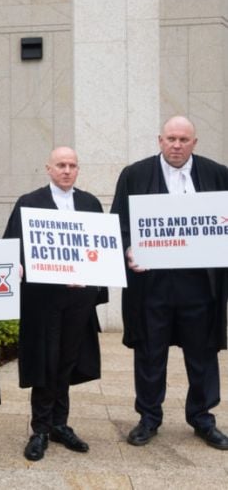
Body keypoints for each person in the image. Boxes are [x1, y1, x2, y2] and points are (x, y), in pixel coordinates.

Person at [111, 116, 228, 450]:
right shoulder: (134, 174)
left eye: (184, 140)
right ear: (159, 140)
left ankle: (202, 418)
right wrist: (128, 250)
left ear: (195, 142)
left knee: (203, 353)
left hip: (200, 285)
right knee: (150, 351)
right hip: (152, 285)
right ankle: (149, 417)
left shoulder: (217, 174)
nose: (177, 145)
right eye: (171, 139)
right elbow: (118, 225)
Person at [3, 146, 107, 461]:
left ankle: (60, 424)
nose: (66, 170)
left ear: (78, 169)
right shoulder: (29, 203)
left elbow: (101, 249)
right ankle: (40, 429)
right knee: (45, 362)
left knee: (67, 361)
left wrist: (90, 277)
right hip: (43, 300)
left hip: (78, 299)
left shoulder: (90, 203)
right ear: (48, 168)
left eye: (72, 165)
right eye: (60, 164)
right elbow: (13, 248)